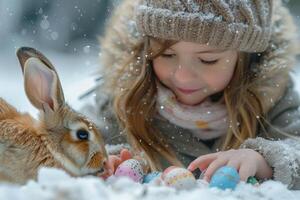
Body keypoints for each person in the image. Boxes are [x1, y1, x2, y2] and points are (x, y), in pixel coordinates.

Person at [81, 0, 300, 189]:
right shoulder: (123, 98)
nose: (183, 76)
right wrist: (103, 159)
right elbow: (70, 144)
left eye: (208, 60)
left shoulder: (272, 98)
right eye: (166, 54)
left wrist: (264, 160)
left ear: (246, 59)